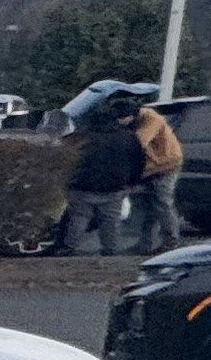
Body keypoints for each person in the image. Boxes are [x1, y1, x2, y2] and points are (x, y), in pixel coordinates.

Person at [59, 101, 147, 254]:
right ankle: (110, 250)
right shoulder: (129, 138)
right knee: (111, 220)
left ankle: (68, 248)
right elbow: (139, 161)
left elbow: (61, 159)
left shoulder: (79, 138)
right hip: (114, 188)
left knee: (79, 218)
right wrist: (132, 182)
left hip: (81, 187)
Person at [130, 91, 185, 251]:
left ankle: (172, 241)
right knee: (145, 205)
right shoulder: (137, 119)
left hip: (167, 164)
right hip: (149, 168)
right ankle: (145, 243)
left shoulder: (151, 119)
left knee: (162, 202)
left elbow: (139, 141)